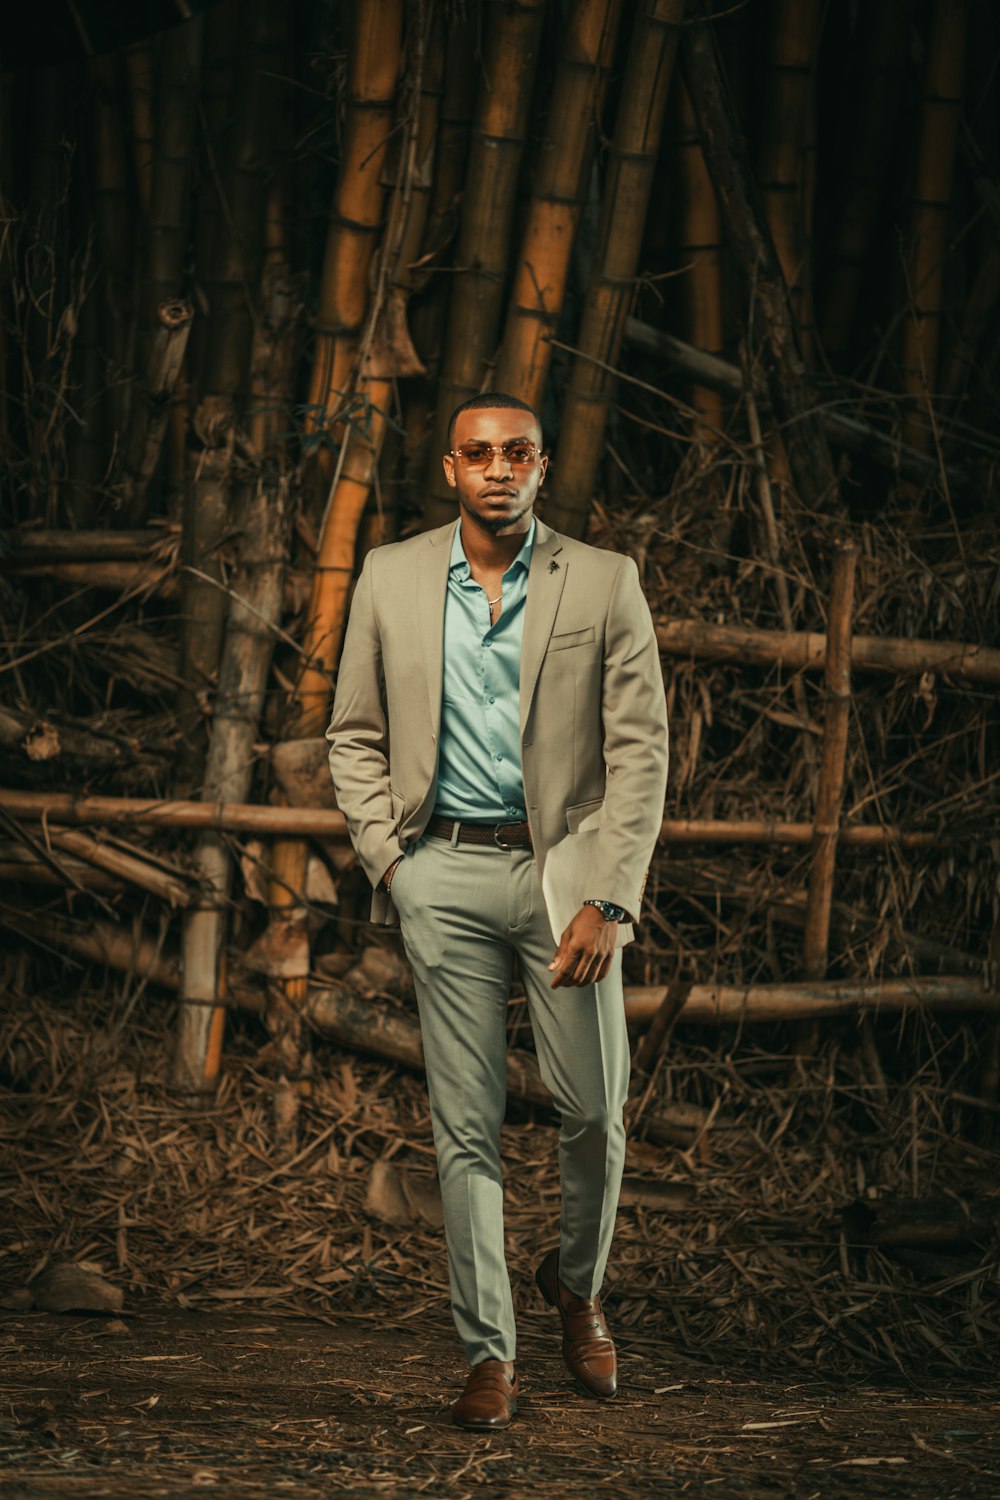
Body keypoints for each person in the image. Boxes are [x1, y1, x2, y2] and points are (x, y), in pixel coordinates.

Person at [327, 392, 669, 1429]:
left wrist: (608, 898)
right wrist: (393, 864)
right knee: (463, 1125)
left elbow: (640, 752)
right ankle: (489, 1353)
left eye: (516, 451)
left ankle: (574, 1282)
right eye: (478, 453)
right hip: (443, 877)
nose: (497, 469)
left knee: (595, 1111)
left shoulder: (604, 581)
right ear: (449, 469)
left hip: (564, 879)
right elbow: (353, 734)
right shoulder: (389, 576)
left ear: (542, 465)